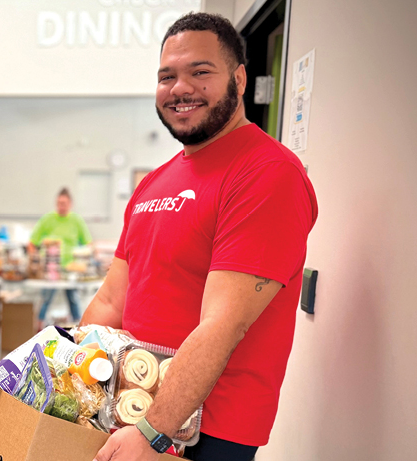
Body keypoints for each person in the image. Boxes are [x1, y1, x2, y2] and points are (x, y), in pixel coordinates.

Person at [84, 13, 318, 461]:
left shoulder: (268, 174)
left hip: (205, 431)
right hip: (131, 402)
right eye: (166, 76)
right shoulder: (153, 183)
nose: (180, 88)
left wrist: (154, 432)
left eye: (200, 72)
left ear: (240, 78)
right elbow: (112, 302)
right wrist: (63, 375)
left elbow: (223, 324)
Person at [29, 188, 92, 327]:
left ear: (70, 204)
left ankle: (78, 330)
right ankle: (38, 328)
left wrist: (88, 258)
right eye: (59, 203)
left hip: (70, 270)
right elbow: (32, 243)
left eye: (64, 203)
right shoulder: (47, 219)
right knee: (45, 299)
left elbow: (89, 244)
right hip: (50, 270)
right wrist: (35, 262)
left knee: (74, 300)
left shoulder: (77, 221)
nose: (61, 206)